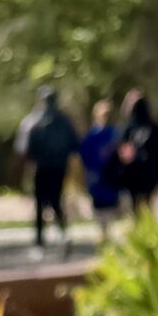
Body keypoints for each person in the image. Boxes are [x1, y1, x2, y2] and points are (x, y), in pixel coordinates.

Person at [16, 84, 80, 252]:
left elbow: (23, 149)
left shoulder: (31, 121)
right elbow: (75, 146)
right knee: (56, 202)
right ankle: (64, 234)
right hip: (59, 168)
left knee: (40, 205)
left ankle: (39, 243)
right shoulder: (64, 121)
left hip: (40, 169)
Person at [113, 88, 158, 222]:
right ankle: (144, 228)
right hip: (145, 173)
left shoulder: (126, 128)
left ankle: (141, 228)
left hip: (135, 174)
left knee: (136, 205)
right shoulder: (152, 127)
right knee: (146, 204)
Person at [80, 98, 123, 243]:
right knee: (99, 205)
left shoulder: (115, 133)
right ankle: (103, 231)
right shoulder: (92, 136)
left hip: (111, 177)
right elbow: (85, 156)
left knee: (111, 205)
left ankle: (108, 232)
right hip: (97, 176)